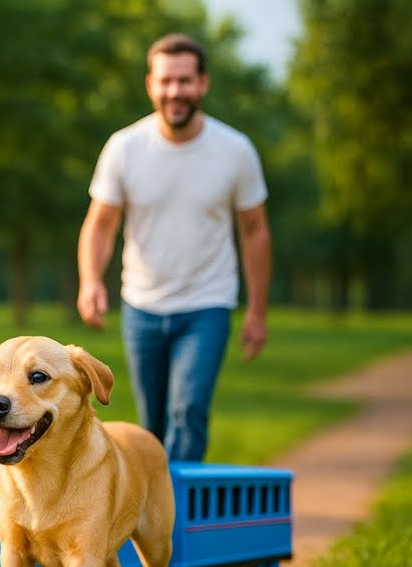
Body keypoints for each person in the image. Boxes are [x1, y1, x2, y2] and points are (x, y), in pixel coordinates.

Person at [76, 32, 272, 462]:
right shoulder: (125, 148)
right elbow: (101, 225)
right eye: (166, 81)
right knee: (153, 424)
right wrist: (90, 281)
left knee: (188, 411)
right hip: (142, 305)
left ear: (202, 84)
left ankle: (178, 518)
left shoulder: (234, 150)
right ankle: (152, 518)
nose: (174, 92)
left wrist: (257, 311)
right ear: (150, 84)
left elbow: (255, 231)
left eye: (184, 81)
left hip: (207, 303)